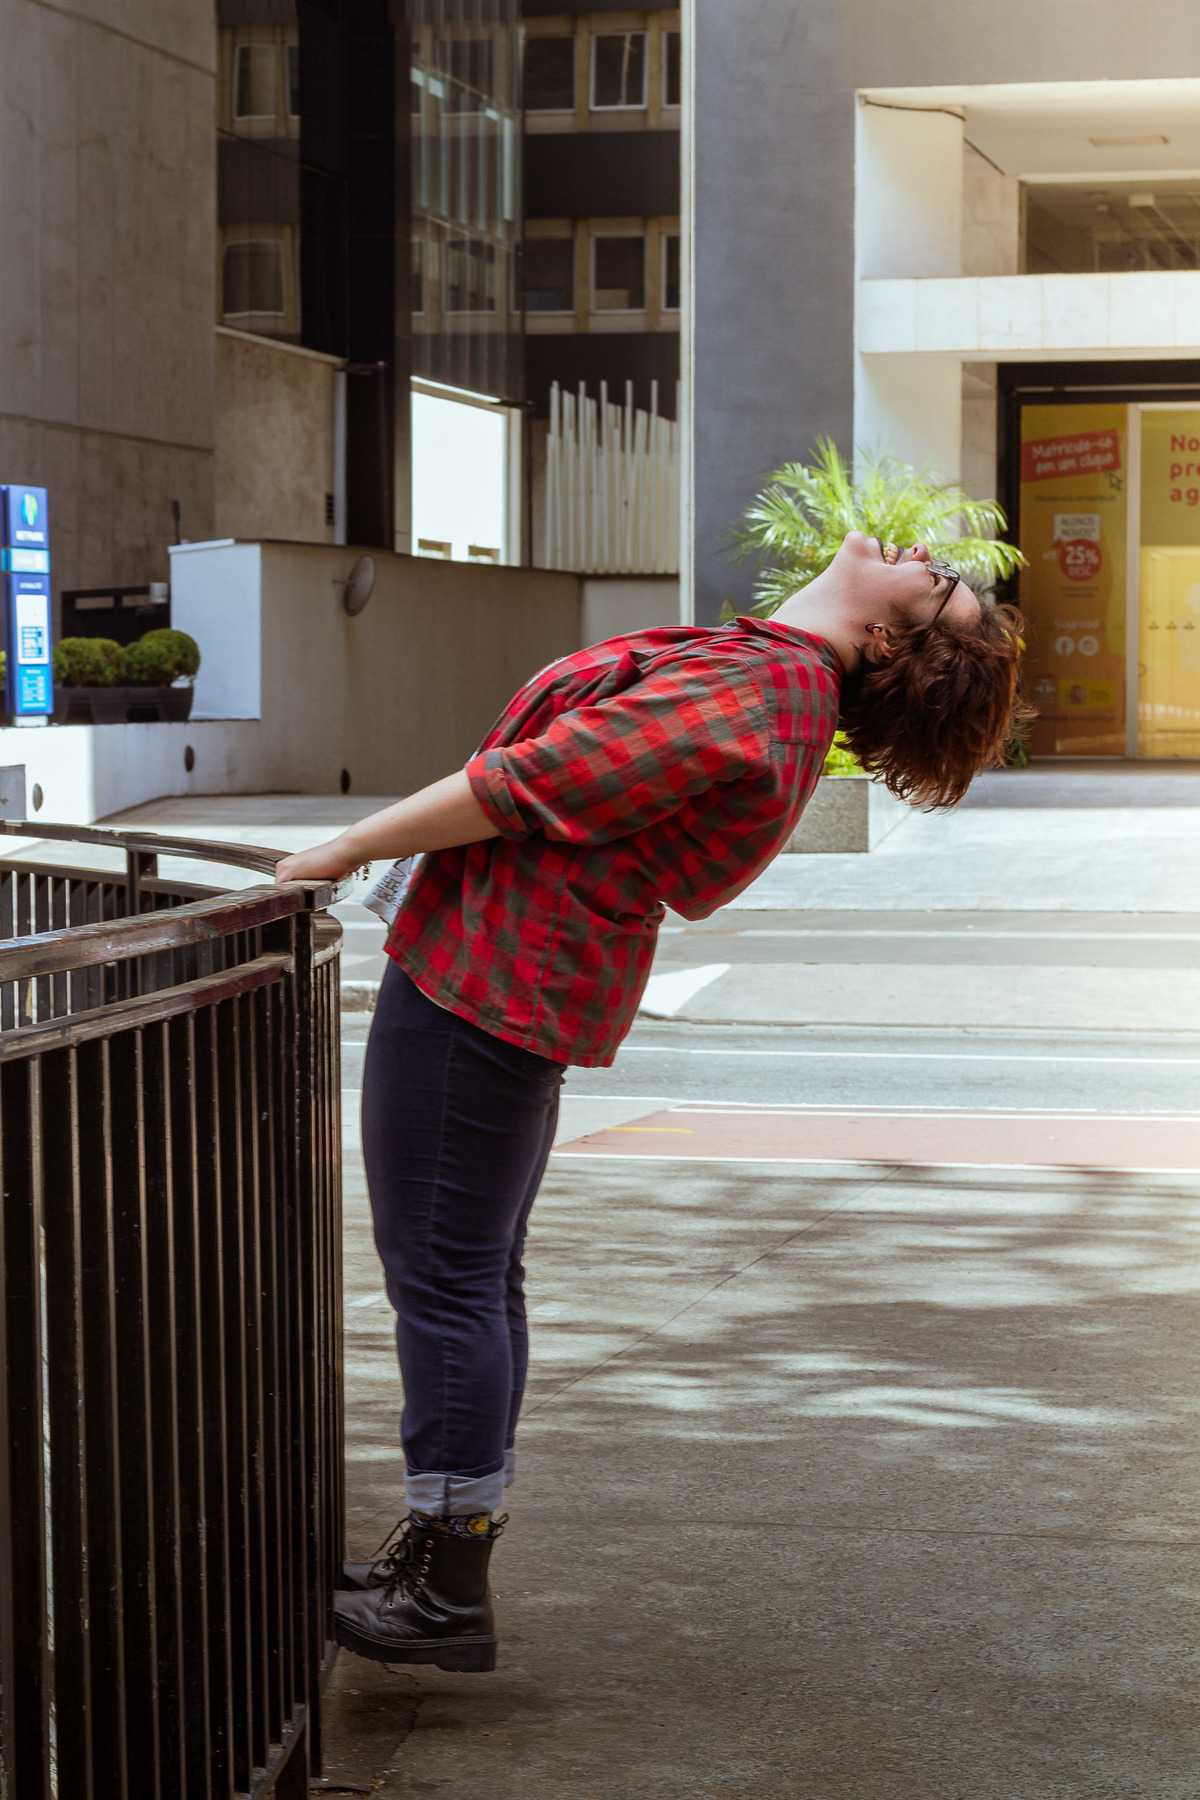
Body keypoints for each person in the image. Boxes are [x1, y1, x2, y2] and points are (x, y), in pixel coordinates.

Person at [274, 530, 1026, 1673]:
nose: (924, 551)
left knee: (446, 1279)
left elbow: (528, 782)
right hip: (513, 981)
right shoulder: (773, 679)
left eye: (936, 583)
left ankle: (446, 1579)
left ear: (885, 635)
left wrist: (335, 850)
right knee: (472, 1274)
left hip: (489, 982)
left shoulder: (766, 686)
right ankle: (440, 1550)